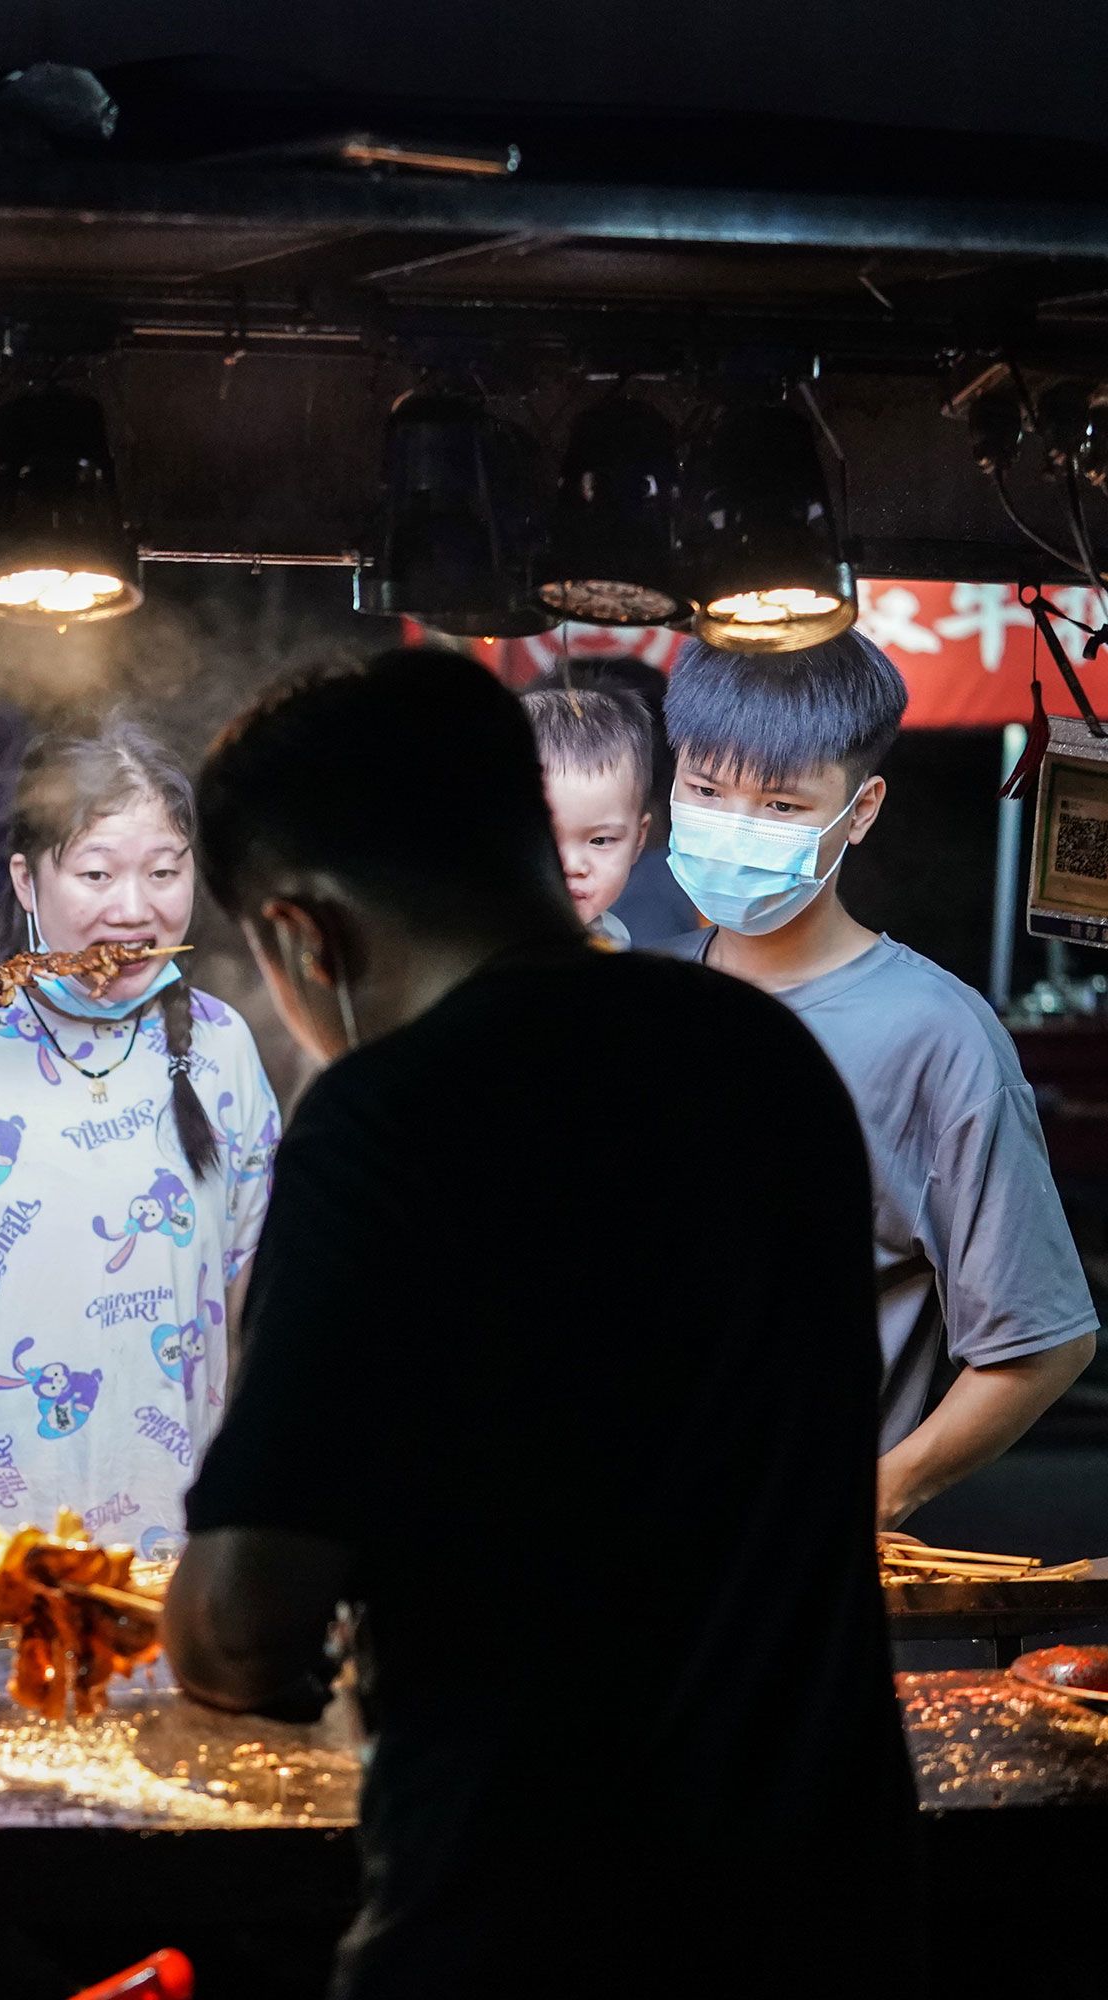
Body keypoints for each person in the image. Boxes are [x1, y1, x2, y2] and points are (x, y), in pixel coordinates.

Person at [163, 650, 917, 1996]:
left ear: (301, 936)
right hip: (825, 1908)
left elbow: (240, 1625)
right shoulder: (766, 1064)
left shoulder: (389, 1115)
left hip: (530, 1926)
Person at [651, 633, 1098, 1525]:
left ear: (860, 810)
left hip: (786, 1563)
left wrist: (874, 1497)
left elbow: (1044, 1342)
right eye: (705, 790)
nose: (736, 824)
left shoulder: (938, 1034)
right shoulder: (628, 998)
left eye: (780, 803)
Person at [0, 721, 279, 1557]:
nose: (134, 909)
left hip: (161, 1547)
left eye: (164, 872)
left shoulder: (222, 1048)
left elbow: (254, 1305)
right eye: (97, 873)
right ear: (27, 881)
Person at [520, 684, 655, 947]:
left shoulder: (614, 938)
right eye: (547, 837)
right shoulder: (475, 948)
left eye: (601, 841)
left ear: (638, 841)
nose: (573, 866)